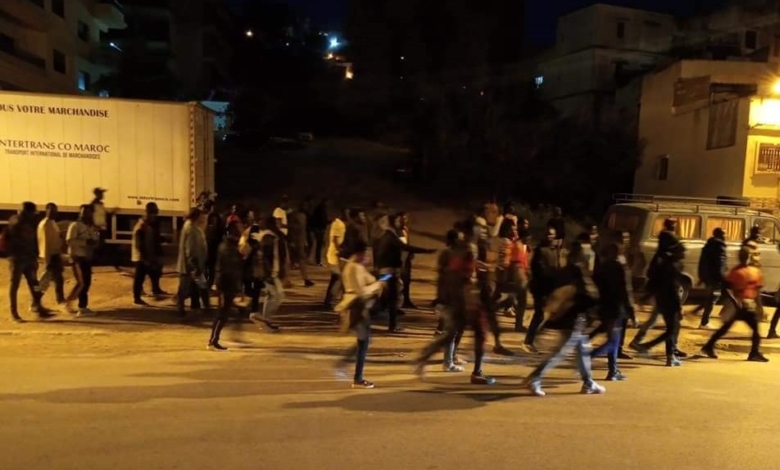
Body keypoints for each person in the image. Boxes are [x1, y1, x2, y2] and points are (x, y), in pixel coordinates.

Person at [414, 219, 496, 385]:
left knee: (452, 334)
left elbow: (455, 271)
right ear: (472, 231)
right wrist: (468, 295)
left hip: (460, 298)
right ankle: (476, 373)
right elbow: (456, 273)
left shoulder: (463, 248)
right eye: (479, 228)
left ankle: (424, 358)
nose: (482, 231)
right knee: (479, 332)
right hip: (466, 299)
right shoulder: (468, 249)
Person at [521, 239, 605, 397]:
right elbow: (590, 294)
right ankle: (535, 378)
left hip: (566, 317)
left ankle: (588, 382)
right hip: (574, 318)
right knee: (561, 352)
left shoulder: (564, 270)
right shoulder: (579, 271)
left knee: (582, 349)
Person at [334, 240, 387, 389]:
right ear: (359, 253)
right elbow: (362, 292)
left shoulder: (353, 266)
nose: (367, 256)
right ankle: (356, 377)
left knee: (364, 341)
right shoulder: (354, 267)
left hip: (358, 307)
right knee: (364, 342)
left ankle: (346, 365)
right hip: (356, 306)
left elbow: (370, 280)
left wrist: (378, 280)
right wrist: (378, 285)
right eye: (365, 253)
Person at [700, 247, 769, 362]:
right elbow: (726, 289)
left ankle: (708, 346)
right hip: (738, 306)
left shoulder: (752, 271)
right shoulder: (738, 272)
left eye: (746, 255)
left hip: (745, 305)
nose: (745, 258)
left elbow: (757, 291)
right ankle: (754, 353)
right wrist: (736, 301)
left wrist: (759, 307)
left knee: (732, 328)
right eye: (743, 255)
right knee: (746, 330)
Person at [374, 213, 435, 332]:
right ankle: (392, 325)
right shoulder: (391, 237)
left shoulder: (384, 236)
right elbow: (406, 248)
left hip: (385, 272)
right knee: (393, 297)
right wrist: (426, 251)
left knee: (386, 295)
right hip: (390, 272)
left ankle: (383, 318)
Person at [630, 242, 686, 367]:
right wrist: (679, 307)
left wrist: (647, 296)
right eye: (682, 252)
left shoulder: (665, 264)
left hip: (662, 301)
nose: (684, 255)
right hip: (670, 302)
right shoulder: (673, 266)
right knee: (671, 330)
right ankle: (647, 346)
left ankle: (670, 356)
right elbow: (674, 289)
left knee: (671, 329)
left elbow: (656, 283)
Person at [6, 202, 53, 322]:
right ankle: (14, 313)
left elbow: (31, 241)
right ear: (27, 212)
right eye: (32, 212)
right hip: (18, 260)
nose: (34, 215)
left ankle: (38, 307)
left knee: (34, 284)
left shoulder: (24, 221)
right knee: (15, 285)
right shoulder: (17, 222)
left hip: (27, 258)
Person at [592, 242, 630, 381]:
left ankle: (613, 370)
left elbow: (595, 287)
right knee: (613, 342)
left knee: (613, 339)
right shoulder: (618, 267)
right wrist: (631, 310)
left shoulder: (601, 267)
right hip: (616, 308)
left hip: (604, 307)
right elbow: (625, 290)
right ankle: (588, 357)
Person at [523, 226, 562, 353]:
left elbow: (556, 267)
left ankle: (532, 340)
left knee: (547, 315)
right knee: (539, 314)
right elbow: (538, 269)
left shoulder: (554, 250)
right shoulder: (540, 250)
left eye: (552, 234)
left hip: (550, 287)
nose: (549, 236)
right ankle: (528, 341)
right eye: (548, 234)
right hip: (540, 287)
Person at [208, 221, 245, 351]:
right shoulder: (228, 248)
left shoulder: (228, 246)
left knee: (226, 313)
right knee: (222, 314)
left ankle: (216, 340)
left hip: (227, 285)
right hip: (226, 285)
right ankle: (213, 341)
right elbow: (229, 269)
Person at [248, 216, 286, 332]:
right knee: (277, 296)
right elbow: (266, 257)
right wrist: (269, 273)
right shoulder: (269, 237)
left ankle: (265, 321)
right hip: (269, 272)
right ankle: (264, 320)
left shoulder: (268, 236)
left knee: (274, 296)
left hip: (270, 272)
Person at [65, 204, 99, 316]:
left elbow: (95, 240)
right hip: (77, 257)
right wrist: (86, 242)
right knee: (82, 282)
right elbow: (69, 240)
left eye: (87, 212)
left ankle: (81, 306)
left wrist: (95, 240)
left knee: (86, 282)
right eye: (83, 212)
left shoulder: (92, 227)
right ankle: (77, 306)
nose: (85, 215)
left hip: (86, 258)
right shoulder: (75, 225)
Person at [176, 208, 210, 318]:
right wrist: (196, 266)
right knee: (193, 287)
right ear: (196, 216)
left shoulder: (192, 227)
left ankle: (195, 306)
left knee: (193, 287)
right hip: (191, 265)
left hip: (193, 264)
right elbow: (190, 250)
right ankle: (181, 308)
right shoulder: (190, 229)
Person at [131, 202, 166, 305]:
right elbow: (139, 245)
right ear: (148, 213)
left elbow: (152, 240)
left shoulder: (148, 225)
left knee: (154, 273)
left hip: (147, 257)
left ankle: (155, 289)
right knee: (139, 278)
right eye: (153, 213)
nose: (155, 216)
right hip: (140, 258)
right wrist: (145, 258)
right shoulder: (141, 226)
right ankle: (137, 298)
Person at [694, 228, 727, 329]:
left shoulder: (708, 245)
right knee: (712, 299)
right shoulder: (720, 246)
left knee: (710, 299)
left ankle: (701, 316)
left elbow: (702, 262)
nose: (726, 236)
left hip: (708, 277)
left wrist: (702, 276)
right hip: (715, 279)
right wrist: (723, 279)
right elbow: (719, 265)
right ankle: (704, 323)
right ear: (720, 235)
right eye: (724, 234)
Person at [37, 202, 65, 305]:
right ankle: (35, 302)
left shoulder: (52, 222)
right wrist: (47, 261)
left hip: (55, 255)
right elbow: (45, 243)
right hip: (50, 256)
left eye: (55, 211)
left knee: (58, 280)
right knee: (44, 282)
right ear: (47, 210)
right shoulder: (45, 224)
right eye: (52, 211)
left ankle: (60, 300)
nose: (54, 213)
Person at [323, 209, 347, 308]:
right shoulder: (337, 224)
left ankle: (331, 300)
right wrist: (340, 252)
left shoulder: (341, 224)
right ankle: (329, 301)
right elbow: (335, 239)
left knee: (338, 279)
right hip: (335, 255)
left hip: (338, 255)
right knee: (338, 278)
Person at [288, 201, 315, 287]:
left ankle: (305, 279)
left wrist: (305, 240)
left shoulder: (303, 216)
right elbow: (292, 228)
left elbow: (303, 230)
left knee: (300, 260)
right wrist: (292, 241)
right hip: (296, 241)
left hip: (300, 241)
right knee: (290, 261)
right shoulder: (295, 215)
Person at [309, 198, 329, 266]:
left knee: (319, 245)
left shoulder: (319, 208)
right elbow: (322, 219)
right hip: (319, 229)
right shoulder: (321, 209)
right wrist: (327, 222)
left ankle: (317, 260)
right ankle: (318, 261)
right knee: (319, 245)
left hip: (319, 229)